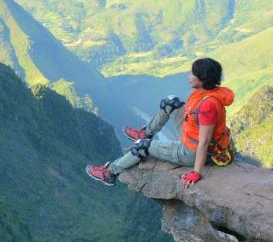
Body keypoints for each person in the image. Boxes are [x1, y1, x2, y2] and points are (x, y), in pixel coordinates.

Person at [86, 58, 235, 188]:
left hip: (192, 152)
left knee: (142, 146)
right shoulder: (206, 92)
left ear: (202, 78)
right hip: (191, 136)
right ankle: (146, 133)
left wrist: (196, 173)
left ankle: (110, 173)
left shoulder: (208, 105)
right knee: (171, 102)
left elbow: (204, 142)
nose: (189, 76)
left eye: (193, 73)